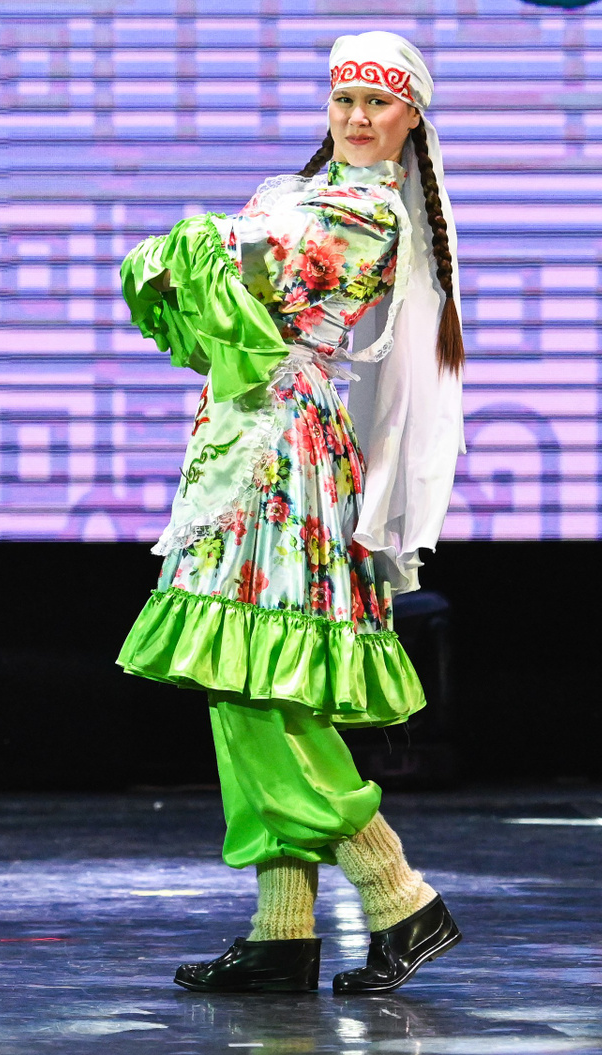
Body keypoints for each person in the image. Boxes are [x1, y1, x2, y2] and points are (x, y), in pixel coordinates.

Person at [115, 32, 466, 993]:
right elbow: (214, 299)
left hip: (285, 448)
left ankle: (400, 895)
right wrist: (200, 254)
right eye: (345, 99)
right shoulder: (299, 192)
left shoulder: (368, 211)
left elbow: (257, 283)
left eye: (379, 103)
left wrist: (194, 245)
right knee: (254, 678)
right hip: (249, 430)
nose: (358, 116)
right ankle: (282, 933)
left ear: (411, 119)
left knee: (251, 677)